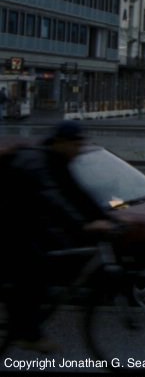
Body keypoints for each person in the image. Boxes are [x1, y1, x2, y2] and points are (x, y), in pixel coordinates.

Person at [2, 121, 115, 352]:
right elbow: (54, 200)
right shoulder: (38, 162)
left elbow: (78, 195)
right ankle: (28, 333)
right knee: (34, 267)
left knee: (49, 258)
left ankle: (23, 317)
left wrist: (110, 220)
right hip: (7, 223)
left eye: (81, 143)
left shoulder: (58, 161)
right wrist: (84, 226)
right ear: (60, 143)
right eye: (75, 144)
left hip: (25, 222)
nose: (79, 149)